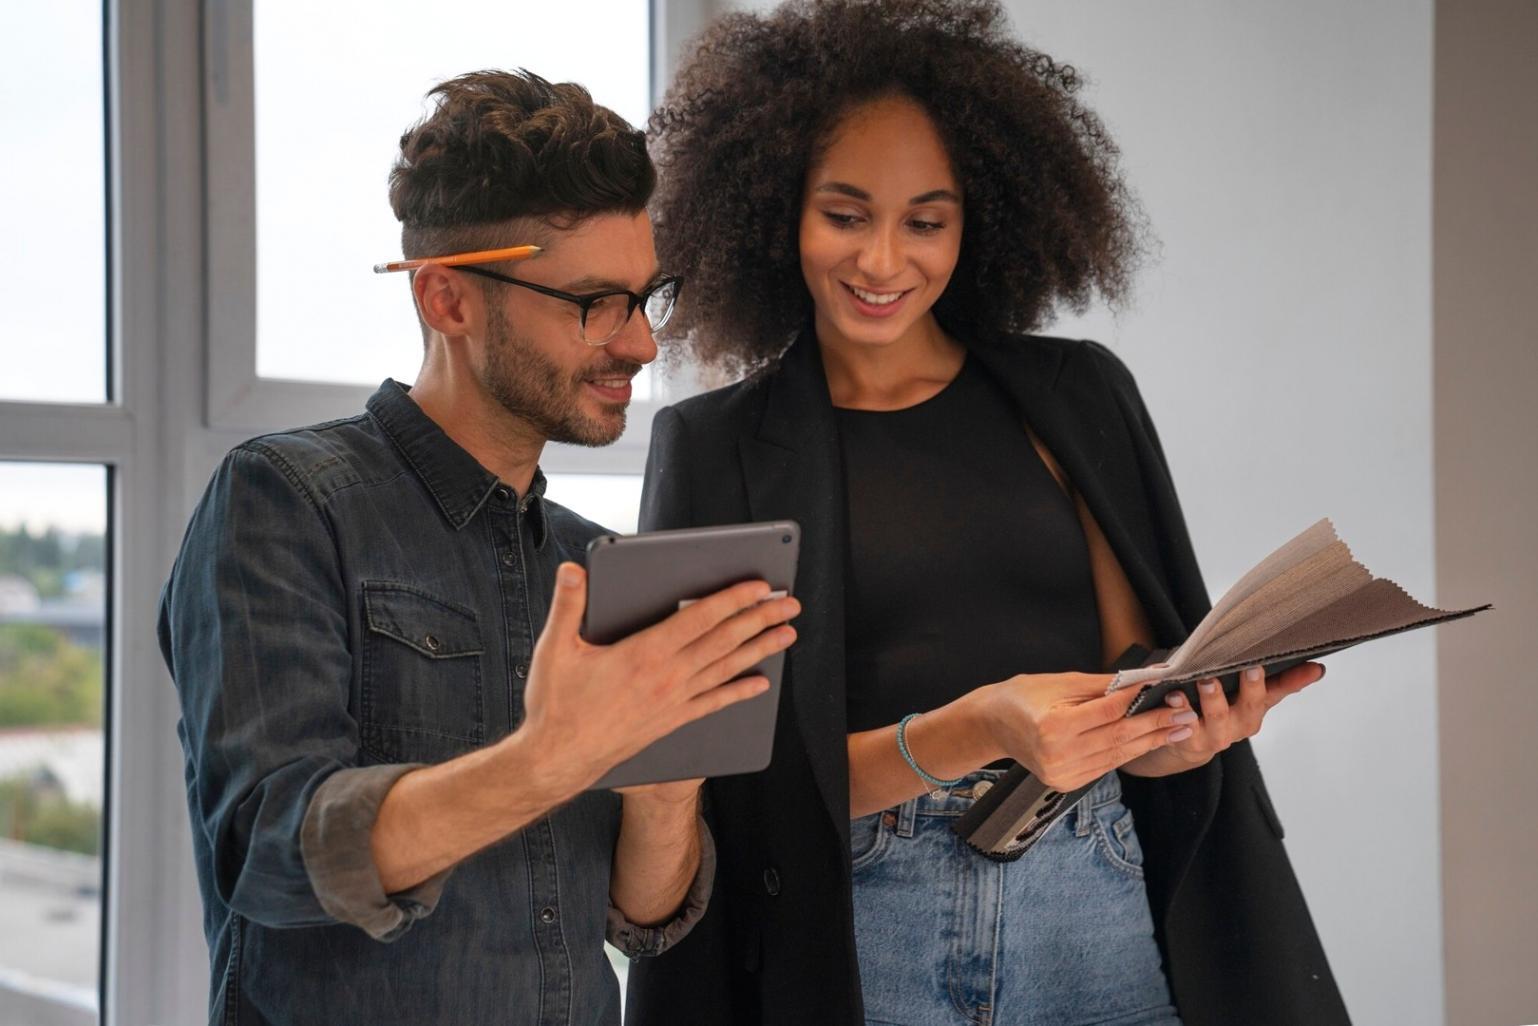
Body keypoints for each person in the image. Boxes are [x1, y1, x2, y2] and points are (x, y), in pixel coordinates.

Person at [624, 2, 1350, 1025]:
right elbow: (739, 797)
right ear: (774, 209)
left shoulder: (1075, 396)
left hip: (1093, 893)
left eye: (925, 221)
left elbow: (1128, 678)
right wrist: (969, 728)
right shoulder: (712, 448)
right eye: (843, 215)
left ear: (979, 220)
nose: (883, 261)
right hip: (862, 920)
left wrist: (1174, 740)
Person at [157, 70, 799, 1026]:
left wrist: (665, 785)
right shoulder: (285, 503)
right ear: (448, 300)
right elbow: (271, 851)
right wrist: (549, 757)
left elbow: (643, 920)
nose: (638, 346)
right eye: (593, 303)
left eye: (644, 297)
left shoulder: (594, 564)